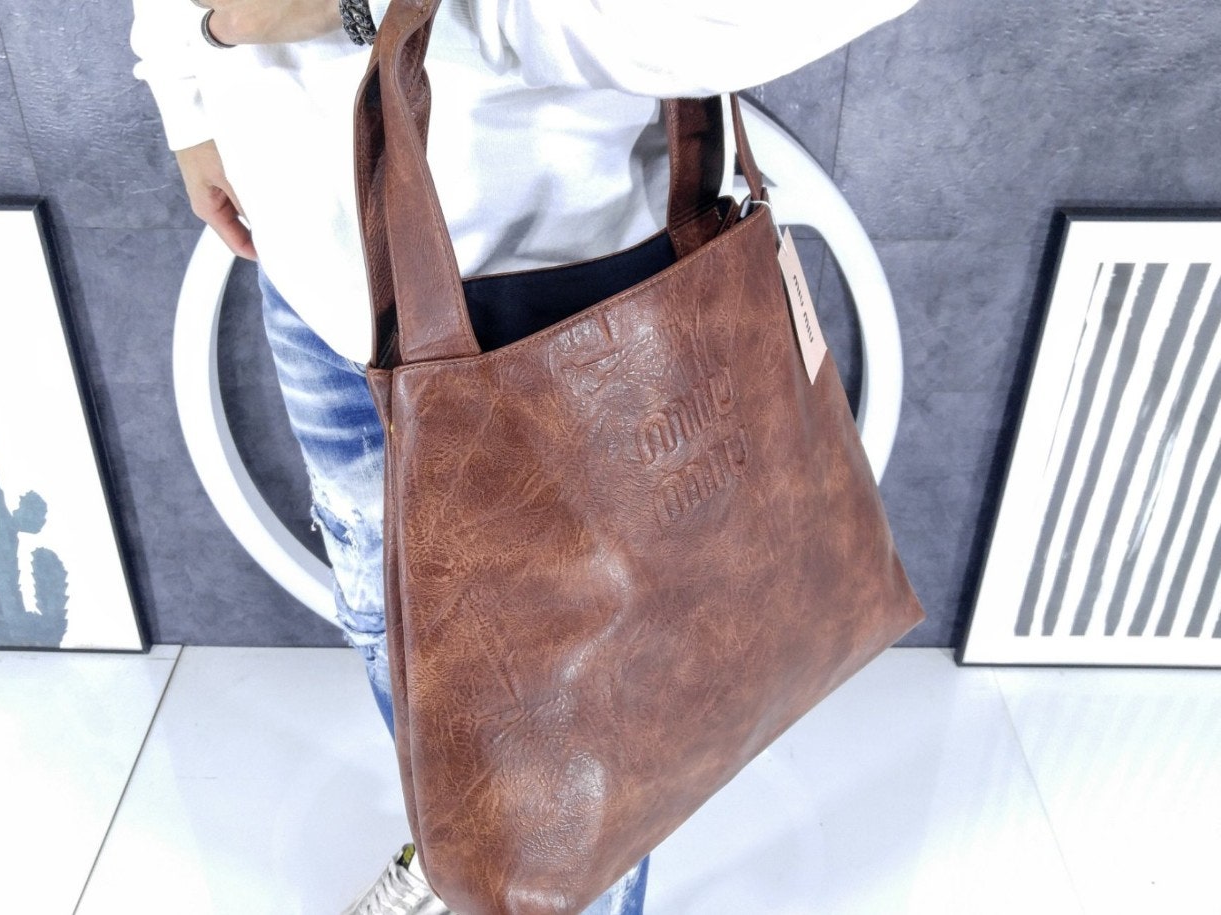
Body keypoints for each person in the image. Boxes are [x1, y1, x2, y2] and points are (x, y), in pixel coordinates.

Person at [131, 1, 917, 911]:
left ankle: (530, 868)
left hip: (570, 272)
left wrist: (373, 7)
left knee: (594, 707)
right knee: (403, 640)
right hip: (309, 253)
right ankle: (465, 847)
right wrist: (184, 85)